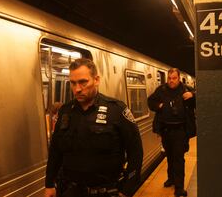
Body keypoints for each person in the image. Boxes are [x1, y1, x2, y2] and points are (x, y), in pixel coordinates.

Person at [44, 58, 143, 197]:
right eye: (73, 83)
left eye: (83, 82)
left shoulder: (116, 110)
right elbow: (55, 151)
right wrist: (49, 184)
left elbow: (136, 152)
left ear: (96, 80)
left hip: (106, 192)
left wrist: (127, 190)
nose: (77, 89)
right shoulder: (66, 112)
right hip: (71, 191)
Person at [147, 68, 195, 197]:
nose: (171, 81)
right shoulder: (161, 90)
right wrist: (158, 106)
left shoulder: (186, 89)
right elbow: (150, 101)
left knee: (179, 159)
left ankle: (179, 188)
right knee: (169, 156)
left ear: (179, 78)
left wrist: (193, 95)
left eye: (174, 78)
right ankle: (171, 179)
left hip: (180, 131)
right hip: (166, 130)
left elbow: (201, 99)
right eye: (169, 78)